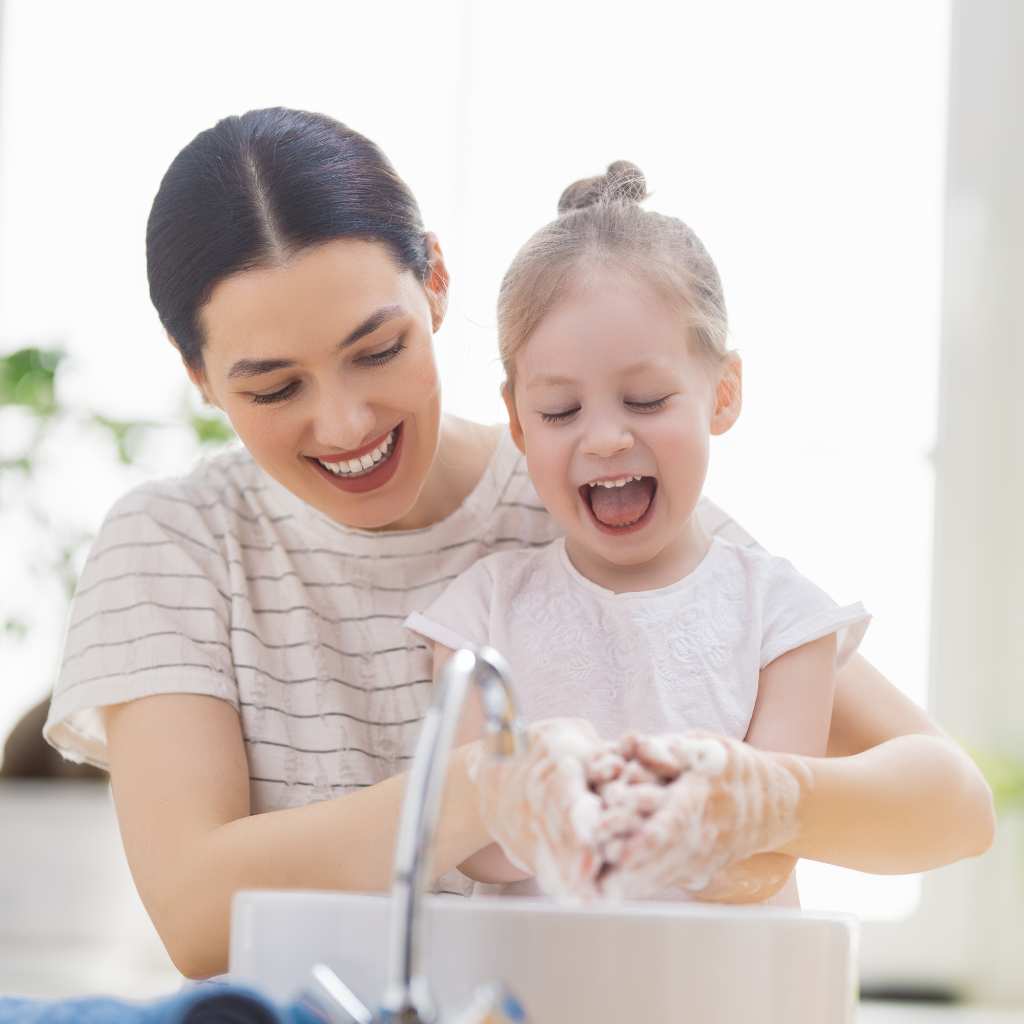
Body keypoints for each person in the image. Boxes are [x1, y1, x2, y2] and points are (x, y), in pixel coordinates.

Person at [41, 108, 994, 980]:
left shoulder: (585, 496)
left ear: (438, 285)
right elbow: (199, 917)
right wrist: (481, 795)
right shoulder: (175, 545)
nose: (343, 423)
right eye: (274, 387)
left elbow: (949, 803)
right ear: (200, 376)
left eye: (378, 351)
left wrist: (770, 800)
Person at [405, 161, 871, 905]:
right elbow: (473, 851)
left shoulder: (784, 620)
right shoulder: (478, 615)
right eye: (561, 412)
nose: (607, 439)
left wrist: (691, 813)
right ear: (518, 420)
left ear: (722, 394)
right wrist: (538, 802)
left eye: (647, 399)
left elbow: (766, 860)